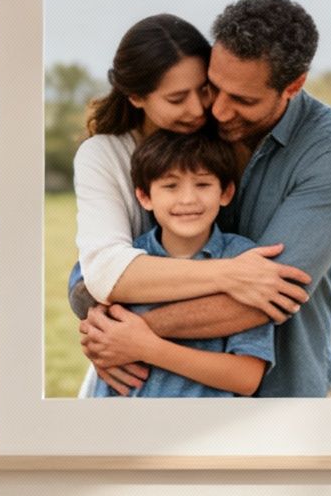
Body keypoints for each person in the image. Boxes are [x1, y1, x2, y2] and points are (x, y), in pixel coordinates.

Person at [82, 0, 331, 397]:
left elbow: (261, 299)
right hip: (162, 393)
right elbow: (100, 268)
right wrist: (100, 314)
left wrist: (124, 334)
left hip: (283, 394)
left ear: (294, 86)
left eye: (244, 100)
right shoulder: (194, 127)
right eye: (216, 87)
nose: (217, 112)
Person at [88, 131, 274, 396]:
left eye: (202, 185)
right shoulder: (125, 262)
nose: (187, 199)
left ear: (226, 192)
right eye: (170, 186)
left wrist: (149, 348)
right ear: (144, 197)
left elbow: (246, 378)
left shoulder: (244, 261)